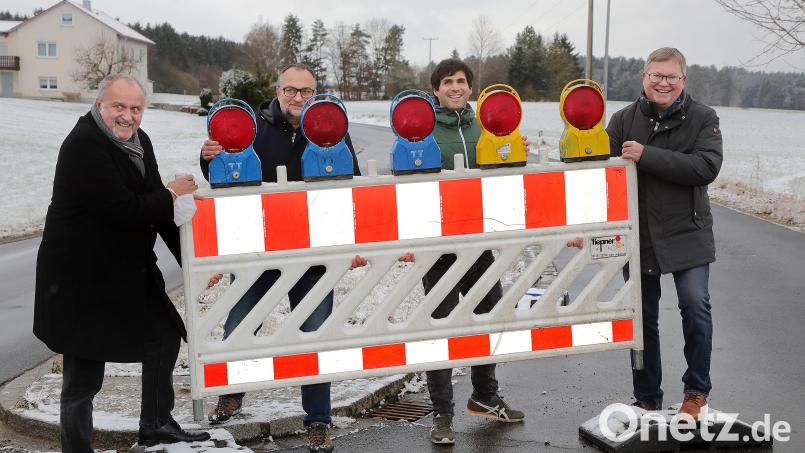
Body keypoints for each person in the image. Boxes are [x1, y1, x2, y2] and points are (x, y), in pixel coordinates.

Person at [33, 75, 210, 453]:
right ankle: (76, 448)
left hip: (128, 270)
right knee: (84, 374)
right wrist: (170, 193)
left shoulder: (138, 142)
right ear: (100, 105)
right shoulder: (84, 145)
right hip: (81, 277)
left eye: (135, 108)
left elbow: (158, 209)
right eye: (119, 106)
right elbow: (124, 209)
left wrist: (194, 263)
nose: (127, 116)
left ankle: (157, 423)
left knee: (163, 334)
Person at [200, 63, 361, 453]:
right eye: (291, 90)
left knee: (314, 335)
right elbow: (223, 170)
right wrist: (207, 157)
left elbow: (352, 180)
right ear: (277, 90)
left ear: (316, 94)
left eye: (306, 92)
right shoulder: (252, 125)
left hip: (312, 255)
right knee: (240, 324)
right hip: (260, 249)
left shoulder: (331, 126)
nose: (298, 99)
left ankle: (318, 421)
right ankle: (233, 392)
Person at [606, 47, 723, 420]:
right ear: (644, 77)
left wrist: (646, 155)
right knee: (641, 319)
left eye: (671, 76)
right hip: (638, 235)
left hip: (688, 231)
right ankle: (646, 397)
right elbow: (601, 173)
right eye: (656, 75)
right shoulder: (623, 120)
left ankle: (695, 393)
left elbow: (706, 166)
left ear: (683, 81)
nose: (663, 82)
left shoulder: (705, 118)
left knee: (695, 307)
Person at [422, 58, 527, 445]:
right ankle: (442, 414)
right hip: (439, 247)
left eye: (461, 81)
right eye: (447, 81)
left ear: (470, 87)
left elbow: (502, 168)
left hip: (481, 242)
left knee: (488, 319)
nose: (455, 87)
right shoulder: (422, 127)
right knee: (441, 328)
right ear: (436, 89)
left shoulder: (483, 122)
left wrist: (512, 149)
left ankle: (484, 396)